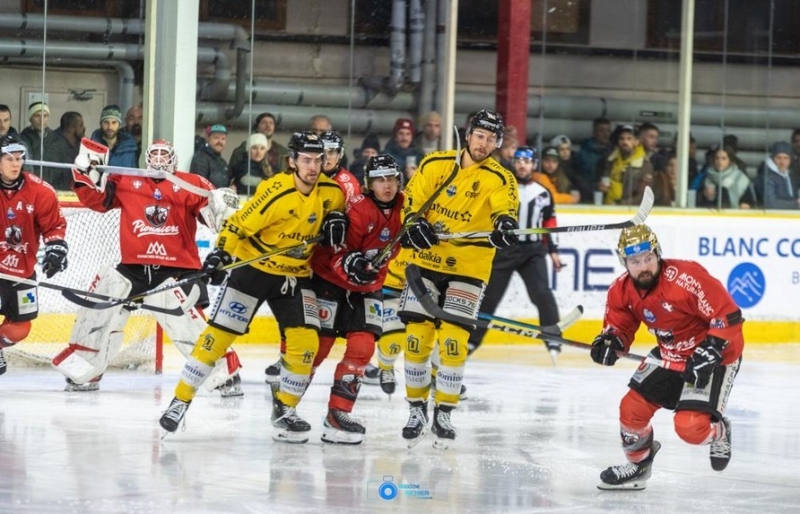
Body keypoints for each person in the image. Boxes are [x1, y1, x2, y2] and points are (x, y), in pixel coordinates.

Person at [159, 131, 347, 444]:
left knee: (306, 344)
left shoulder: (333, 193)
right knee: (217, 339)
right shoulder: (275, 191)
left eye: (318, 160)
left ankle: (285, 409)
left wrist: (337, 220)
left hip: (295, 276)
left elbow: (338, 214)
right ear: (292, 162)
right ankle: (180, 400)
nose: (314, 166)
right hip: (253, 271)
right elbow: (237, 225)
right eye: (306, 160)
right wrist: (221, 255)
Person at [54, 139, 242, 394]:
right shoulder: (126, 179)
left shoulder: (192, 182)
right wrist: (86, 177)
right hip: (134, 268)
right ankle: (86, 369)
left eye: (165, 155)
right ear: (146, 158)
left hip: (178, 269)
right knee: (101, 307)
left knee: (188, 324)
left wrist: (222, 208)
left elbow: (214, 219)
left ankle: (224, 373)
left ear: (174, 159)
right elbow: (98, 201)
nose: (160, 159)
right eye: (155, 154)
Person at [397, 109, 518, 448]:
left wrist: (505, 225)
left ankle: (444, 413)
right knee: (417, 339)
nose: (484, 144)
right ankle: (417, 409)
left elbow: (505, 210)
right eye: (480, 136)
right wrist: (414, 223)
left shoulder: (501, 178)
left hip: (468, 268)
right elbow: (412, 202)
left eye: (491, 139)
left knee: (453, 343)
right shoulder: (435, 163)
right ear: (468, 135)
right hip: (425, 261)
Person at [590, 224, 742, 490]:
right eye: (635, 261)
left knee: (691, 428)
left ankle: (720, 431)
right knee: (631, 410)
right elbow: (620, 327)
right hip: (670, 355)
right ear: (624, 262)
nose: (644, 267)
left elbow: (727, 314)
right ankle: (639, 466)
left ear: (657, 253)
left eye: (648, 258)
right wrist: (611, 342)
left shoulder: (686, 278)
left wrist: (712, 347)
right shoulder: (620, 290)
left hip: (714, 357)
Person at [309, 154, 404, 444]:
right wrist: (352, 264)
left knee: (363, 347)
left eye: (391, 179)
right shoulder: (358, 209)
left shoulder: (406, 205)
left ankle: (337, 414)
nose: (387, 185)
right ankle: (285, 405)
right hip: (331, 281)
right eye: (380, 180)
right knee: (317, 348)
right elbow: (337, 251)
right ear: (369, 183)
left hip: (368, 287)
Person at [262, 129, 362, 382]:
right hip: (304, 258)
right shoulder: (304, 177)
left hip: (327, 264)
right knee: (293, 314)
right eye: (322, 153)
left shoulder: (347, 184)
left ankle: (305, 364)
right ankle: (286, 356)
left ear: (340, 155)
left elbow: (352, 228)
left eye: (332, 152)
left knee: (315, 319)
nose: (326, 157)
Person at [466, 146, 564, 357]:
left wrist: (554, 250)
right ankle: (472, 340)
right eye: (518, 160)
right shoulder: (502, 188)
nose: (522, 165)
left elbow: (549, 223)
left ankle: (553, 338)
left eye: (526, 161)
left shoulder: (543, 193)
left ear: (534, 165)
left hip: (533, 251)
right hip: (504, 250)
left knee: (542, 293)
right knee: (489, 297)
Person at [0, 134, 68, 375]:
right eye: (9, 158)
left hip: (22, 271)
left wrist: (56, 250)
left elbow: (54, 226)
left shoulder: (40, 190)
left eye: (19, 158)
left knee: (20, 328)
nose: (15, 163)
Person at [598, 124, 654, 206]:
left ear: (636, 142)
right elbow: (599, 182)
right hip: (607, 206)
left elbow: (643, 194)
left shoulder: (645, 165)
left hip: (628, 209)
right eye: (622, 139)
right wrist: (599, 187)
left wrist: (622, 206)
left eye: (629, 139)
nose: (625, 142)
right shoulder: (610, 160)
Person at [227, 112, 287, 188]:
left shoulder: (282, 152)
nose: (268, 126)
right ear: (257, 127)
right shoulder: (241, 151)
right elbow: (230, 176)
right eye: (264, 123)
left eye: (271, 123)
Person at [45, 111, 85, 190]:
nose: (84, 128)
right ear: (71, 128)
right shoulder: (53, 145)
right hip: (59, 191)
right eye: (81, 125)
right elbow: (52, 176)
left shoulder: (80, 143)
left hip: (76, 191)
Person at [757, 141, 800, 210]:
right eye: (779, 158)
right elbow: (770, 203)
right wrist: (796, 204)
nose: (782, 162)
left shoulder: (790, 176)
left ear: (790, 160)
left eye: (786, 158)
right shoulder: (766, 177)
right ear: (773, 159)